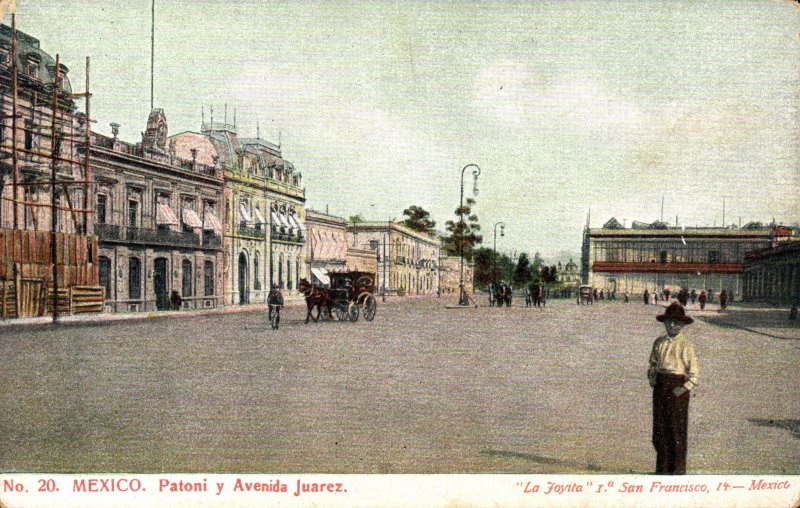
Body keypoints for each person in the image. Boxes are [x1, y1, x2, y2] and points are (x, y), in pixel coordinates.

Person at [648, 302, 699, 475]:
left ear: (683, 325)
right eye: (669, 321)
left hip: (678, 389)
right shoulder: (659, 342)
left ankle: (677, 472)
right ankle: (661, 471)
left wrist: (683, 389)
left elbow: (694, 375)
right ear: (664, 323)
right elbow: (653, 364)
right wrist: (652, 376)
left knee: (676, 432)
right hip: (661, 388)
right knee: (659, 431)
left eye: (677, 322)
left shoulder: (686, 346)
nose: (672, 325)